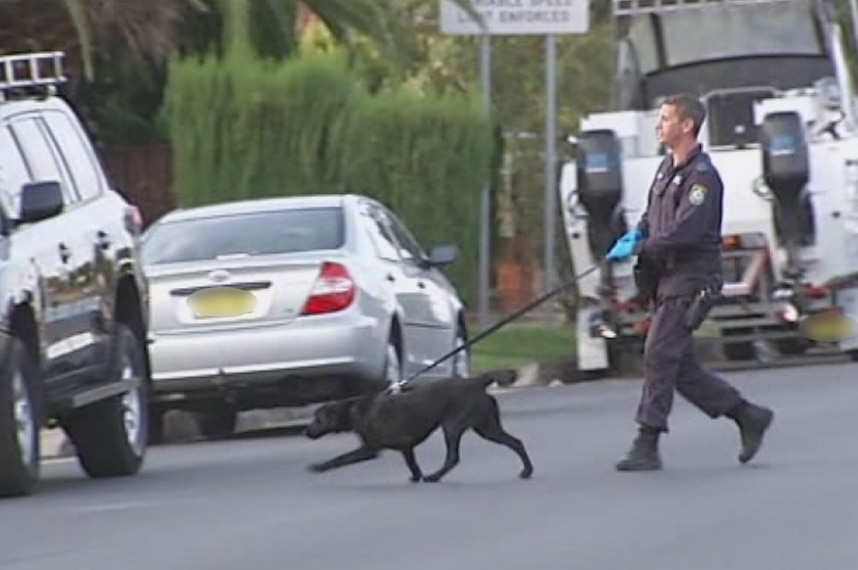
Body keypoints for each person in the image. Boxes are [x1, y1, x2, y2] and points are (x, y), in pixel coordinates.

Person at [605, 93, 774, 472]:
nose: (659, 124)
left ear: (687, 125)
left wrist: (645, 244)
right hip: (666, 278)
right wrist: (636, 236)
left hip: (692, 280)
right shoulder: (667, 169)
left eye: (666, 118)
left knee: (660, 353)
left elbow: (687, 231)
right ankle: (747, 415)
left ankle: (646, 442)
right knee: (681, 368)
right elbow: (653, 216)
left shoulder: (702, 178)